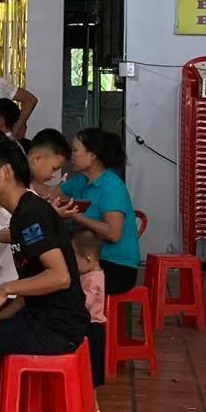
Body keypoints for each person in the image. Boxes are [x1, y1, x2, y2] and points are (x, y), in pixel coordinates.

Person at [0, 133, 91, 412]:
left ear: (6, 171)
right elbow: (34, 283)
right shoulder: (25, 212)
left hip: (56, 327)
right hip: (44, 317)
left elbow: (59, 277)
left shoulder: (30, 214)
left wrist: (5, 289)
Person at [61, 127, 142, 298]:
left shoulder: (111, 185)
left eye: (75, 150)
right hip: (89, 260)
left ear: (92, 155)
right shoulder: (81, 181)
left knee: (57, 279)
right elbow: (50, 193)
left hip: (116, 266)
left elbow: (113, 233)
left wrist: (76, 217)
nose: (71, 155)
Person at [71, 228, 110, 387]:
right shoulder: (87, 274)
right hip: (86, 324)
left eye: (74, 260)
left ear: (88, 259)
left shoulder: (94, 279)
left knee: (92, 369)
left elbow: (85, 303)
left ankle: (93, 398)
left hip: (92, 327)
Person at [27, 129, 72, 203]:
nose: (53, 175)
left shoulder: (30, 182)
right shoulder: (14, 181)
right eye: (54, 169)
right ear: (37, 159)